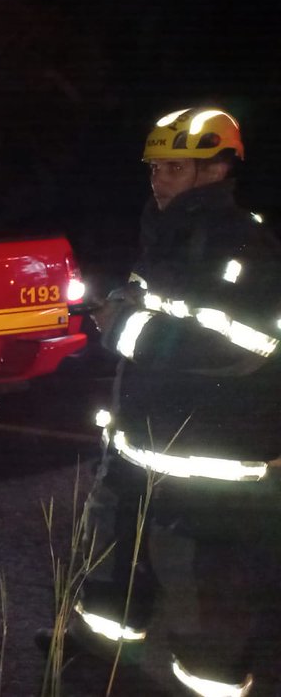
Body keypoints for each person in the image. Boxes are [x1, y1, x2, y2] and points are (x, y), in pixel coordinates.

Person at [51, 107, 281, 695]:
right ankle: (94, 655)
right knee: (110, 570)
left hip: (213, 469)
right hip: (138, 449)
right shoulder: (166, 232)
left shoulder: (244, 247)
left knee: (210, 606)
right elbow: (157, 301)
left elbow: (247, 343)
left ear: (218, 169)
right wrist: (120, 302)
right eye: (155, 167)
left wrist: (123, 329)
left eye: (174, 167)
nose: (158, 178)